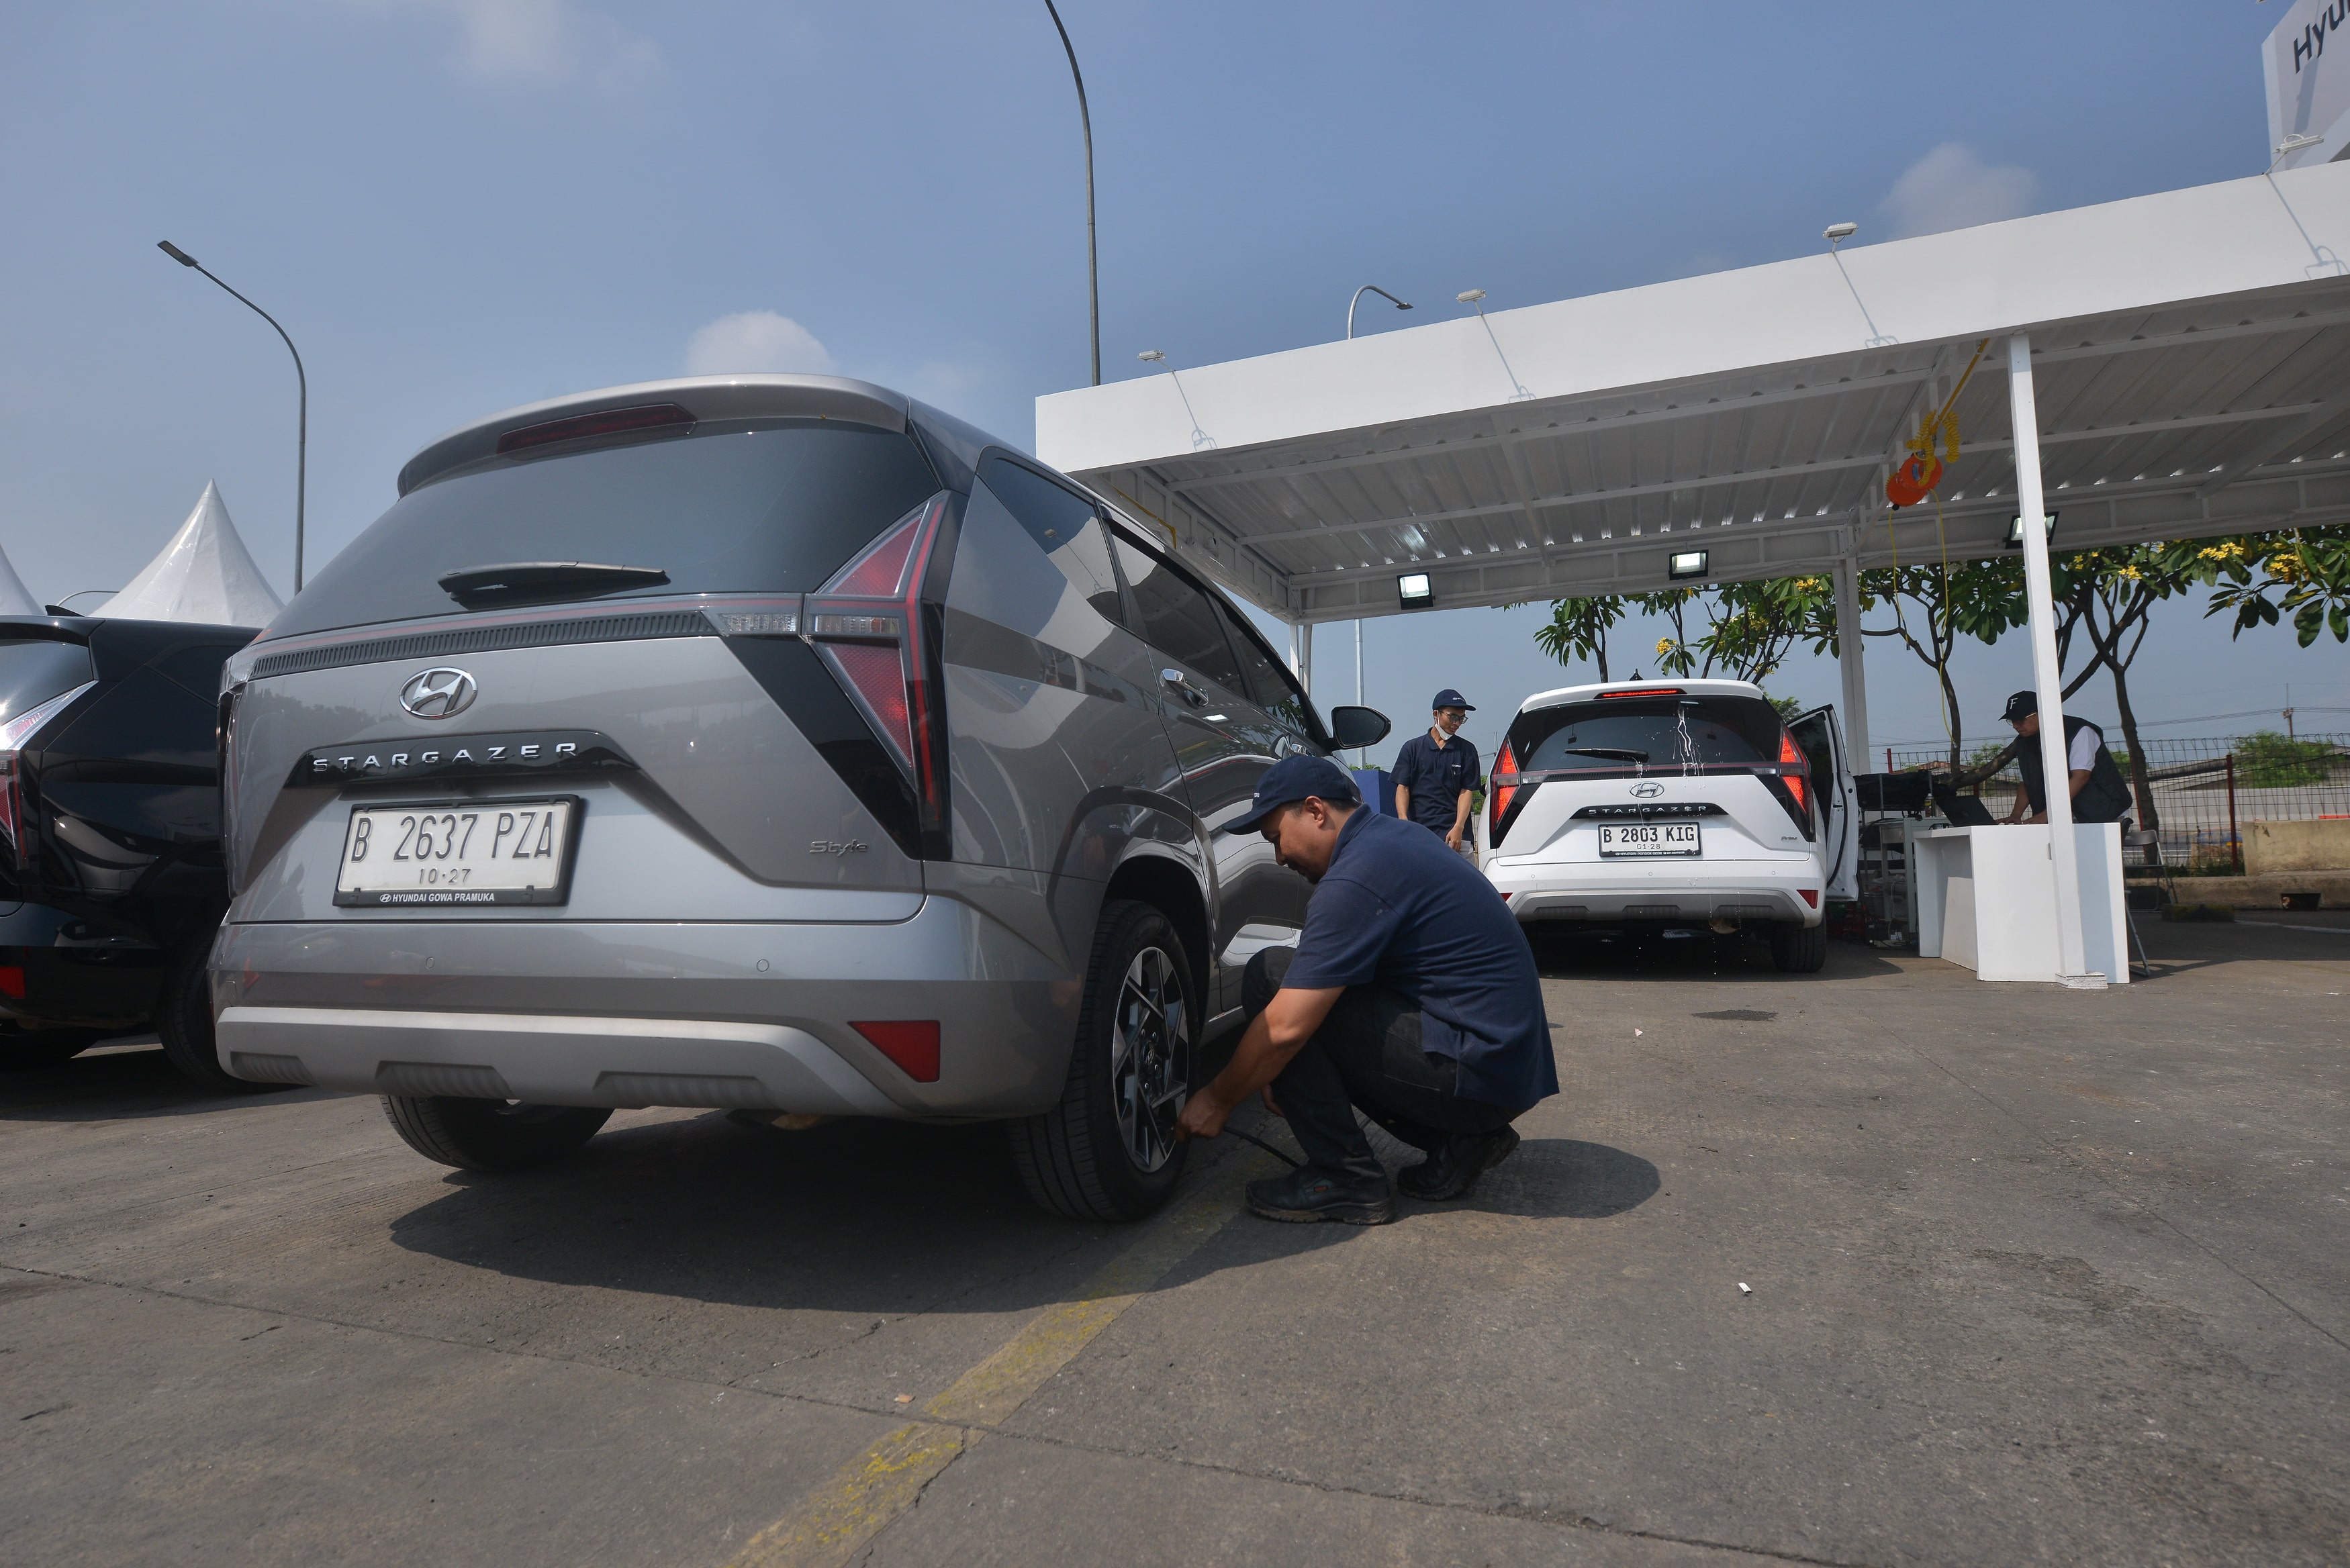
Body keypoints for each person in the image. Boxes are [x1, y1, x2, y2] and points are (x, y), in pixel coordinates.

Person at [1175, 754, 1557, 1224]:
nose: (1279, 857)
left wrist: (1218, 1098)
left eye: (1277, 838)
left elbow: (1287, 1026)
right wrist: (1276, 1072)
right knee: (1305, 998)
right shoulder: (1395, 840)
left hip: (1480, 1071)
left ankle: (1347, 1179)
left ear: (1316, 811)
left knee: (1271, 976)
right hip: (1505, 1070)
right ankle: (1462, 1143)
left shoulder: (1357, 875)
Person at [1957, 691, 2134, 824]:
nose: (2016, 726)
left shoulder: (2080, 731)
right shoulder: (2024, 743)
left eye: (2021, 719)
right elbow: (2027, 781)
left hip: (2104, 812)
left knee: (2094, 866)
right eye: (2012, 721)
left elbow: (2081, 776)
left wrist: (2049, 814)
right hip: (2066, 816)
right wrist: (2016, 816)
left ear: (2041, 712)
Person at [1392, 688, 1480, 856]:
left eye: (1462, 719)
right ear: (1436, 714)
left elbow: (1466, 791)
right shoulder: (1412, 749)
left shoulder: (1467, 750)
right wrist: (1404, 821)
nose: (1457, 723)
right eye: (1453, 717)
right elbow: (1403, 788)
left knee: (1461, 882)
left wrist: (1459, 827)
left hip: (1456, 837)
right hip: (1420, 836)